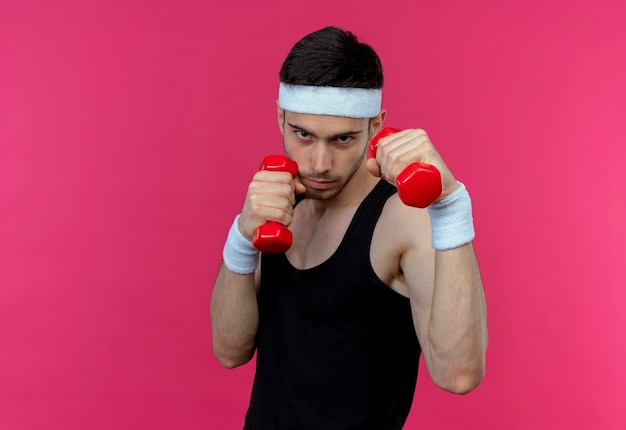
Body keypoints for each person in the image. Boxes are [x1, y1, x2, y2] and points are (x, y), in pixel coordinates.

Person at [210, 26, 488, 429]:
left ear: (376, 126)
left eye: (342, 139)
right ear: (280, 116)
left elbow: (458, 375)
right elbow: (229, 350)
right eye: (302, 134)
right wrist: (241, 236)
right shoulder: (278, 199)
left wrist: (451, 208)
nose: (319, 163)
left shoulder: (402, 220)